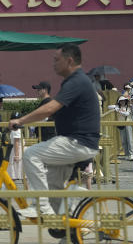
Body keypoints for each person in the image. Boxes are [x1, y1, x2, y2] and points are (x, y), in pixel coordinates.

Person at [8, 44, 101, 218]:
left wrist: (20, 120)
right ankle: (75, 228)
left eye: (56, 60)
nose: (53, 64)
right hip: (77, 142)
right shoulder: (73, 81)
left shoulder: (77, 81)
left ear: (70, 60)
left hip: (77, 143)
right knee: (53, 189)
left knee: (31, 154)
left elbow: (50, 108)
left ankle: (41, 207)